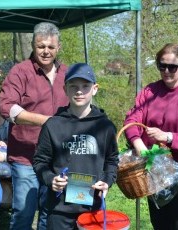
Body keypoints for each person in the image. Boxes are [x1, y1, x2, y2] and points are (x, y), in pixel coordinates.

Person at [124, 43, 178, 230]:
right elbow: (132, 118)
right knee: (160, 221)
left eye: (172, 67)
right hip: (154, 167)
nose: (166, 71)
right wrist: (139, 144)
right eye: (162, 66)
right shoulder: (150, 92)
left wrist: (167, 136)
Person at [0, 22, 69, 230]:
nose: (46, 51)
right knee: (24, 212)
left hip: (57, 158)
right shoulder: (20, 72)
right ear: (33, 45)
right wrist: (46, 121)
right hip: (26, 157)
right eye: (41, 46)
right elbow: (6, 107)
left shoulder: (68, 73)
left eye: (50, 46)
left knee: (50, 213)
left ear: (59, 47)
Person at [33, 63, 119, 230]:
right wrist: (51, 179)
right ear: (65, 89)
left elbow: (112, 160)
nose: (79, 91)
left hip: (92, 209)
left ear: (95, 89)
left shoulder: (105, 127)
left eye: (85, 86)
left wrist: (107, 181)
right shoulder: (53, 125)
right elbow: (40, 161)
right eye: (74, 87)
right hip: (59, 209)